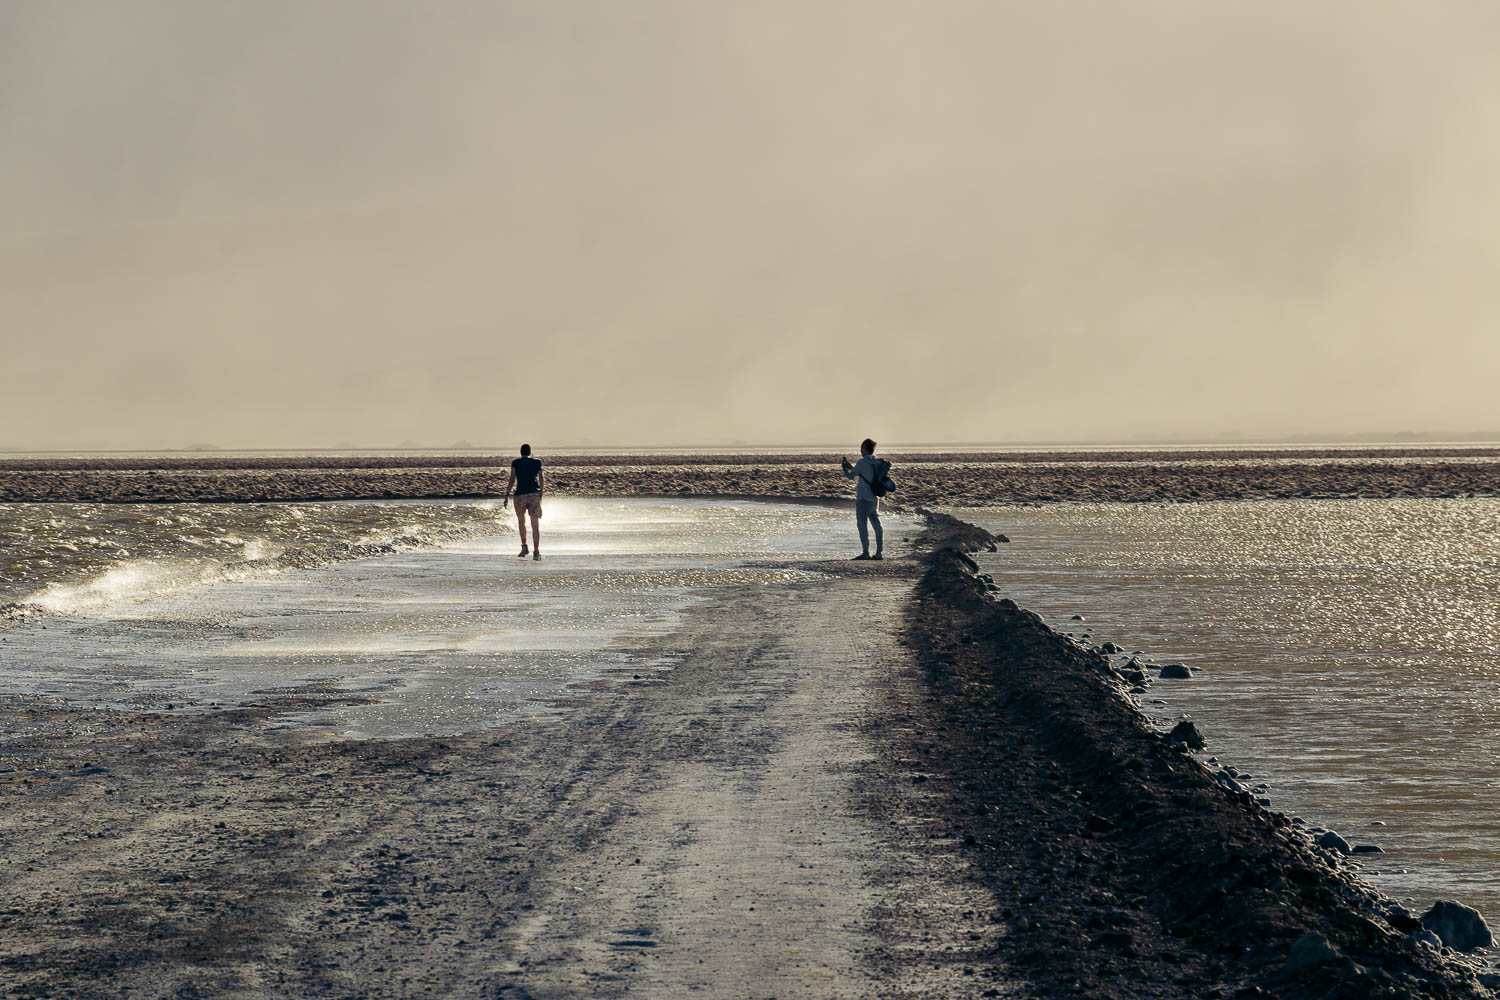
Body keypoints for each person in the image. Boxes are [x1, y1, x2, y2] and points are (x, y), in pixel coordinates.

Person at [840, 438, 884, 560]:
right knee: (877, 525)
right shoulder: (875, 461)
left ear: (865, 449)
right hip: (874, 498)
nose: (860, 450)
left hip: (863, 498)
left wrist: (844, 468)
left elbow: (850, 476)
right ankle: (879, 552)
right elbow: (865, 474)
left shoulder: (862, 462)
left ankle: (866, 552)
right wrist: (851, 467)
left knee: (862, 525)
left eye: (862, 448)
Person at [503, 443, 544, 560]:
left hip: (520, 495)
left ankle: (524, 546)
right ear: (530, 452)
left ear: (521, 452)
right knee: (535, 525)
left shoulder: (515, 462)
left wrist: (506, 495)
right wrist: (541, 493)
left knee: (521, 522)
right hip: (533, 494)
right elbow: (541, 478)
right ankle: (536, 551)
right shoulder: (537, 462)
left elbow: (512, 479)